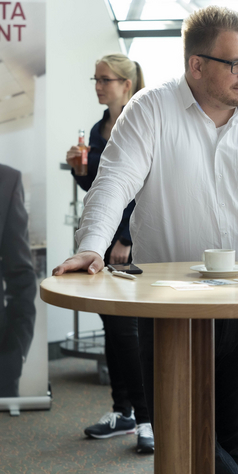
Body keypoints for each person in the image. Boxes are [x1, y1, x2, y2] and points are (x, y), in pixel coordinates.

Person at [51, 5, 238, 474]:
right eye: (234, 63)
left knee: (235, 440)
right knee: (183, 430)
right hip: (172, 309)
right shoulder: (150, 110)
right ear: (196, 65)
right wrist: (91, 247)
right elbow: (113, 183)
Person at [65, 53, 154, 453]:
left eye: (105, 79)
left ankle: (147, 417)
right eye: (96, 79)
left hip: (129, 244)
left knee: (127, 331)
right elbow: (101, 190)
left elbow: (142, 189)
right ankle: (123, 411)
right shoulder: (99, 128)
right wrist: (79, 170)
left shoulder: (140, 124)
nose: (99, 86)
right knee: (112, 328)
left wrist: (127, 239)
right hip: (102, 244)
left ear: (126, 84)